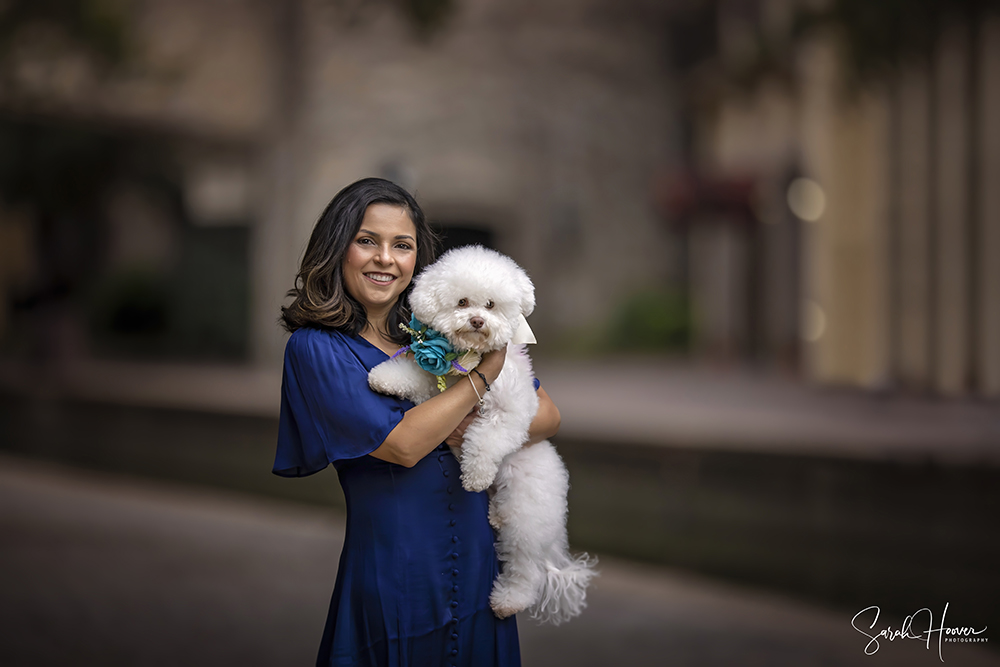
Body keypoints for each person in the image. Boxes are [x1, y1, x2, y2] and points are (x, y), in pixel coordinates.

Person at [272, 177, 561, 667]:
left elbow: (549, 416)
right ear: (337, 249)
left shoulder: (443, 327)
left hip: (477, 570)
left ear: (416, 260)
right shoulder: (317, 348)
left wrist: (466, 427)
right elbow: (403, 445)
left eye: (401, 246)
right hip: (396, 574)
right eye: (367, 241)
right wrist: (486, 373)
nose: (385, 258)